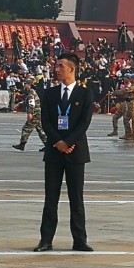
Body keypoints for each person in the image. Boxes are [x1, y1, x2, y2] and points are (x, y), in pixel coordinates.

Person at [34, 53, 94, 252]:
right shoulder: (50, 94)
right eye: (56, 66)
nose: (56, 69)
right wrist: (58, 142)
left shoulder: (85, 94)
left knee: (76, 198)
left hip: (76, 152)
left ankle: (79, 239)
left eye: (60, 66)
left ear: (71, 69)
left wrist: (68, 142)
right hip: (54, 151)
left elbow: (84, 123)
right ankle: (46, 240)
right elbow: (46, 121)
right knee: (51, 198)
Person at [12, 75, 48, 152]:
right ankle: (47, 145)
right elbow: (27, 101)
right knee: (40, 129)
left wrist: (30, 113)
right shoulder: (30, 92)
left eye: (26, 84)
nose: (24, 85)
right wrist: (20, 104)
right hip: (38, 113)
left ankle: (22, 144)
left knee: (26, 128)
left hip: (35, 113)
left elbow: (31, 104)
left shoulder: (31, 93)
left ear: (29, 85)